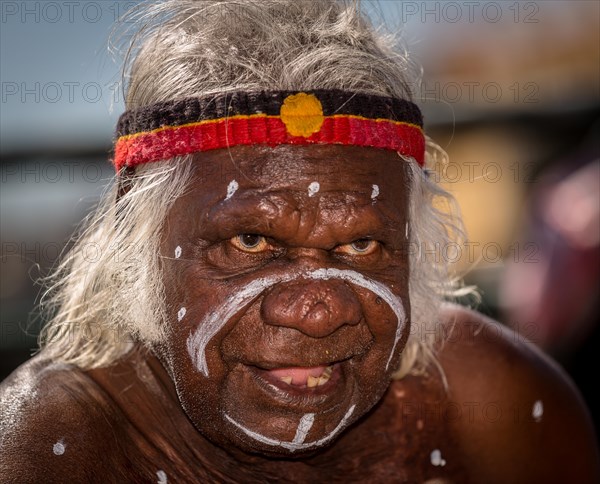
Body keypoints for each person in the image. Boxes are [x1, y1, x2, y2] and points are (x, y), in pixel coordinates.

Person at [1, 1, 598, 482]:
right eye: (252, 240)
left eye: (362, 246)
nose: (316, 312)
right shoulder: (53, 448)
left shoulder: (489, 402)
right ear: (140, 236)